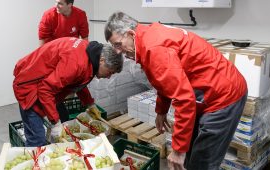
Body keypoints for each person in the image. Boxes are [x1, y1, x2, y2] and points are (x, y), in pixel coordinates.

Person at [105, 12, 248, 170]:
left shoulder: (154, 49)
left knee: (202, 162)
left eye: (118, 44)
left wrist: (178, 151)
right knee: (191, 154)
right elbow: (163, 80)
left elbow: (184, 99)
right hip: (206, 91)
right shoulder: (146, 36)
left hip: (223, 97)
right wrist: (161, 110)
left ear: (131, 34)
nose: (117, 51)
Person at [13, 37, 123, 147]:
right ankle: (34, 159)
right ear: (102, 60)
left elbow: (78, 80)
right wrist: (55, 123)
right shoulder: (77, 63)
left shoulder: (90, 55)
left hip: (46, 84)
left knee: (61, 116)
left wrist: (90, 103)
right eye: (110, 72)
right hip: (30, 88)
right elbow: (45, 89)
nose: (108, 77)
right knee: (37, 139)